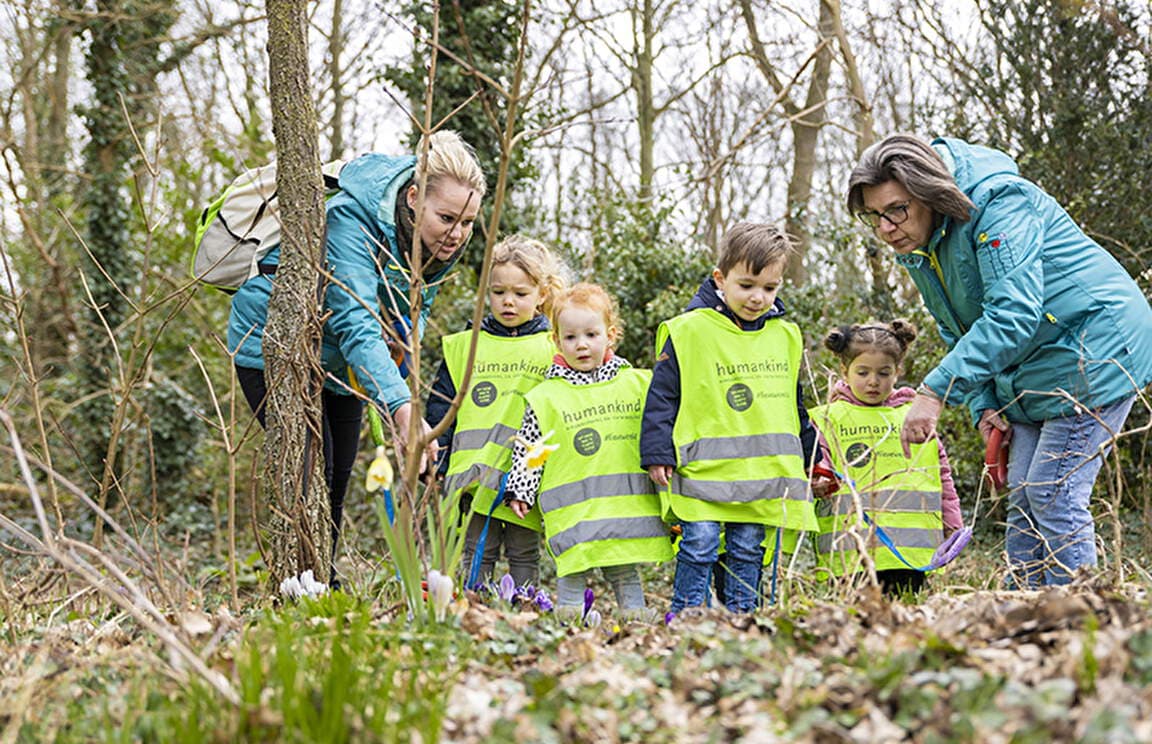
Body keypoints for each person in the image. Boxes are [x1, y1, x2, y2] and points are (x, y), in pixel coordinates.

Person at [847, 134, 1152, 587]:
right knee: (1025, 500)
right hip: (1032, 367)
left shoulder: (998, 205)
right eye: (875, 217)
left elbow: (1013, 314)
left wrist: (933, 393)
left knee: (1052, 492)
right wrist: (984, 404)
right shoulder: (922, 243)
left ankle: (1086, 622)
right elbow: (958, 329)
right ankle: (1020, 620)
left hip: (1098, 349)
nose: (887, 227)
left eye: (896, 210)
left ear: (929, 191)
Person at [228, 131, 486, 578]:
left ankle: (320, 586)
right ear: (412, 197)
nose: (457, 234)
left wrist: (401, 348)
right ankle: (296, 589)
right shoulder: (351, 217)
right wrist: (402, 409)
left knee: (338, 477)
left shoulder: (437, 241)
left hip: (341, 364)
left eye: (467, 223)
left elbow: (414, 310)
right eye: (447, 218)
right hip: (276, 346)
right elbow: (356, 323)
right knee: (312, 467)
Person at [641, 222, 820, 614]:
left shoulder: (784, 336)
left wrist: (815, 457)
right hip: (701, 473)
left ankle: (741, 620)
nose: (758, 297)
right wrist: (657, 452)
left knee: (745, 549)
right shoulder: (688, 331)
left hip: (759, 477)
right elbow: (662, 397)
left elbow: (794, 405)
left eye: (770, 289)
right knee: (699, 545)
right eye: (747, 285)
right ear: (720, 279)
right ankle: (687, 618)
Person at [505, 283, 672, 617]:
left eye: (591, 335)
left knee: (624, 570)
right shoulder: (547, 396)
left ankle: (635, 618)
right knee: (573, 570)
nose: (581, 345)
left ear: (610, 335)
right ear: (556, 340)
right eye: (570, 337)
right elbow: (531, 446)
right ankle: (569, 621)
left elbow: (660, 430)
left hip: (624, 513)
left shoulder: (637, 384)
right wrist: (520, 489)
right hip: (574, 516)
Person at [426, 235, 567, 588]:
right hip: (470, 480)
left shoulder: (554, 347)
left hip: (525, 479)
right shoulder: (465, 345)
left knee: (523, 553)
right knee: (476, 550)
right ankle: (474, 613)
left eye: (520, 294)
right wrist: (437, 463)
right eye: (498, 292)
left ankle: (525, 613)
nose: (508, 302)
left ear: (542, 294)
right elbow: (442, 407)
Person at [811, 320, 962, 596]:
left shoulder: (914, 417)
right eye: (863, 372)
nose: (873, 381)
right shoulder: (826, 419)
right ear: (844, 370)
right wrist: (817, 482)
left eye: (883, 373)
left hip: (909, 557)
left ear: (898, 372)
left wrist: (952, 525)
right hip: (850, 553)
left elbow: (941, 475)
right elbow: (814, 471)